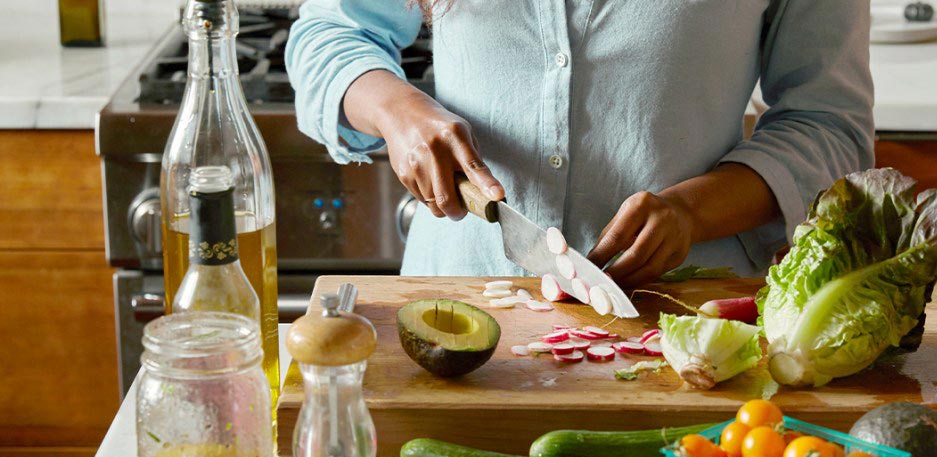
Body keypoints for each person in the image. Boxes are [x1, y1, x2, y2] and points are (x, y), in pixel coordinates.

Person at [286, 0, 873, 287]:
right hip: (457, 301)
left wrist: (691, 211)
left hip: (683, 326)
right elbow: (330, 32)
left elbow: (829, 125)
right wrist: (399, 112)